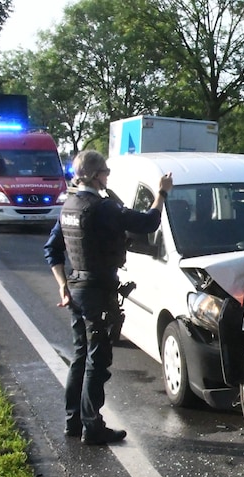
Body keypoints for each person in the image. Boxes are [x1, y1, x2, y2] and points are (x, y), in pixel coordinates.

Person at [43, 150, 173, 445]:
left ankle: (73, 422)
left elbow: (52, 249)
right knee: (97, 360)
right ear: (95, 175)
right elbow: (147, 223)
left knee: (80, 356)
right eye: (106, 172)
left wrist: (62, 284)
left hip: (76, 289)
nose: (108, 177)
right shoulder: (103, 208)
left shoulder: (69, 207)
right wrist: (162, 193)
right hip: (98, 292)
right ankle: (92, 427)